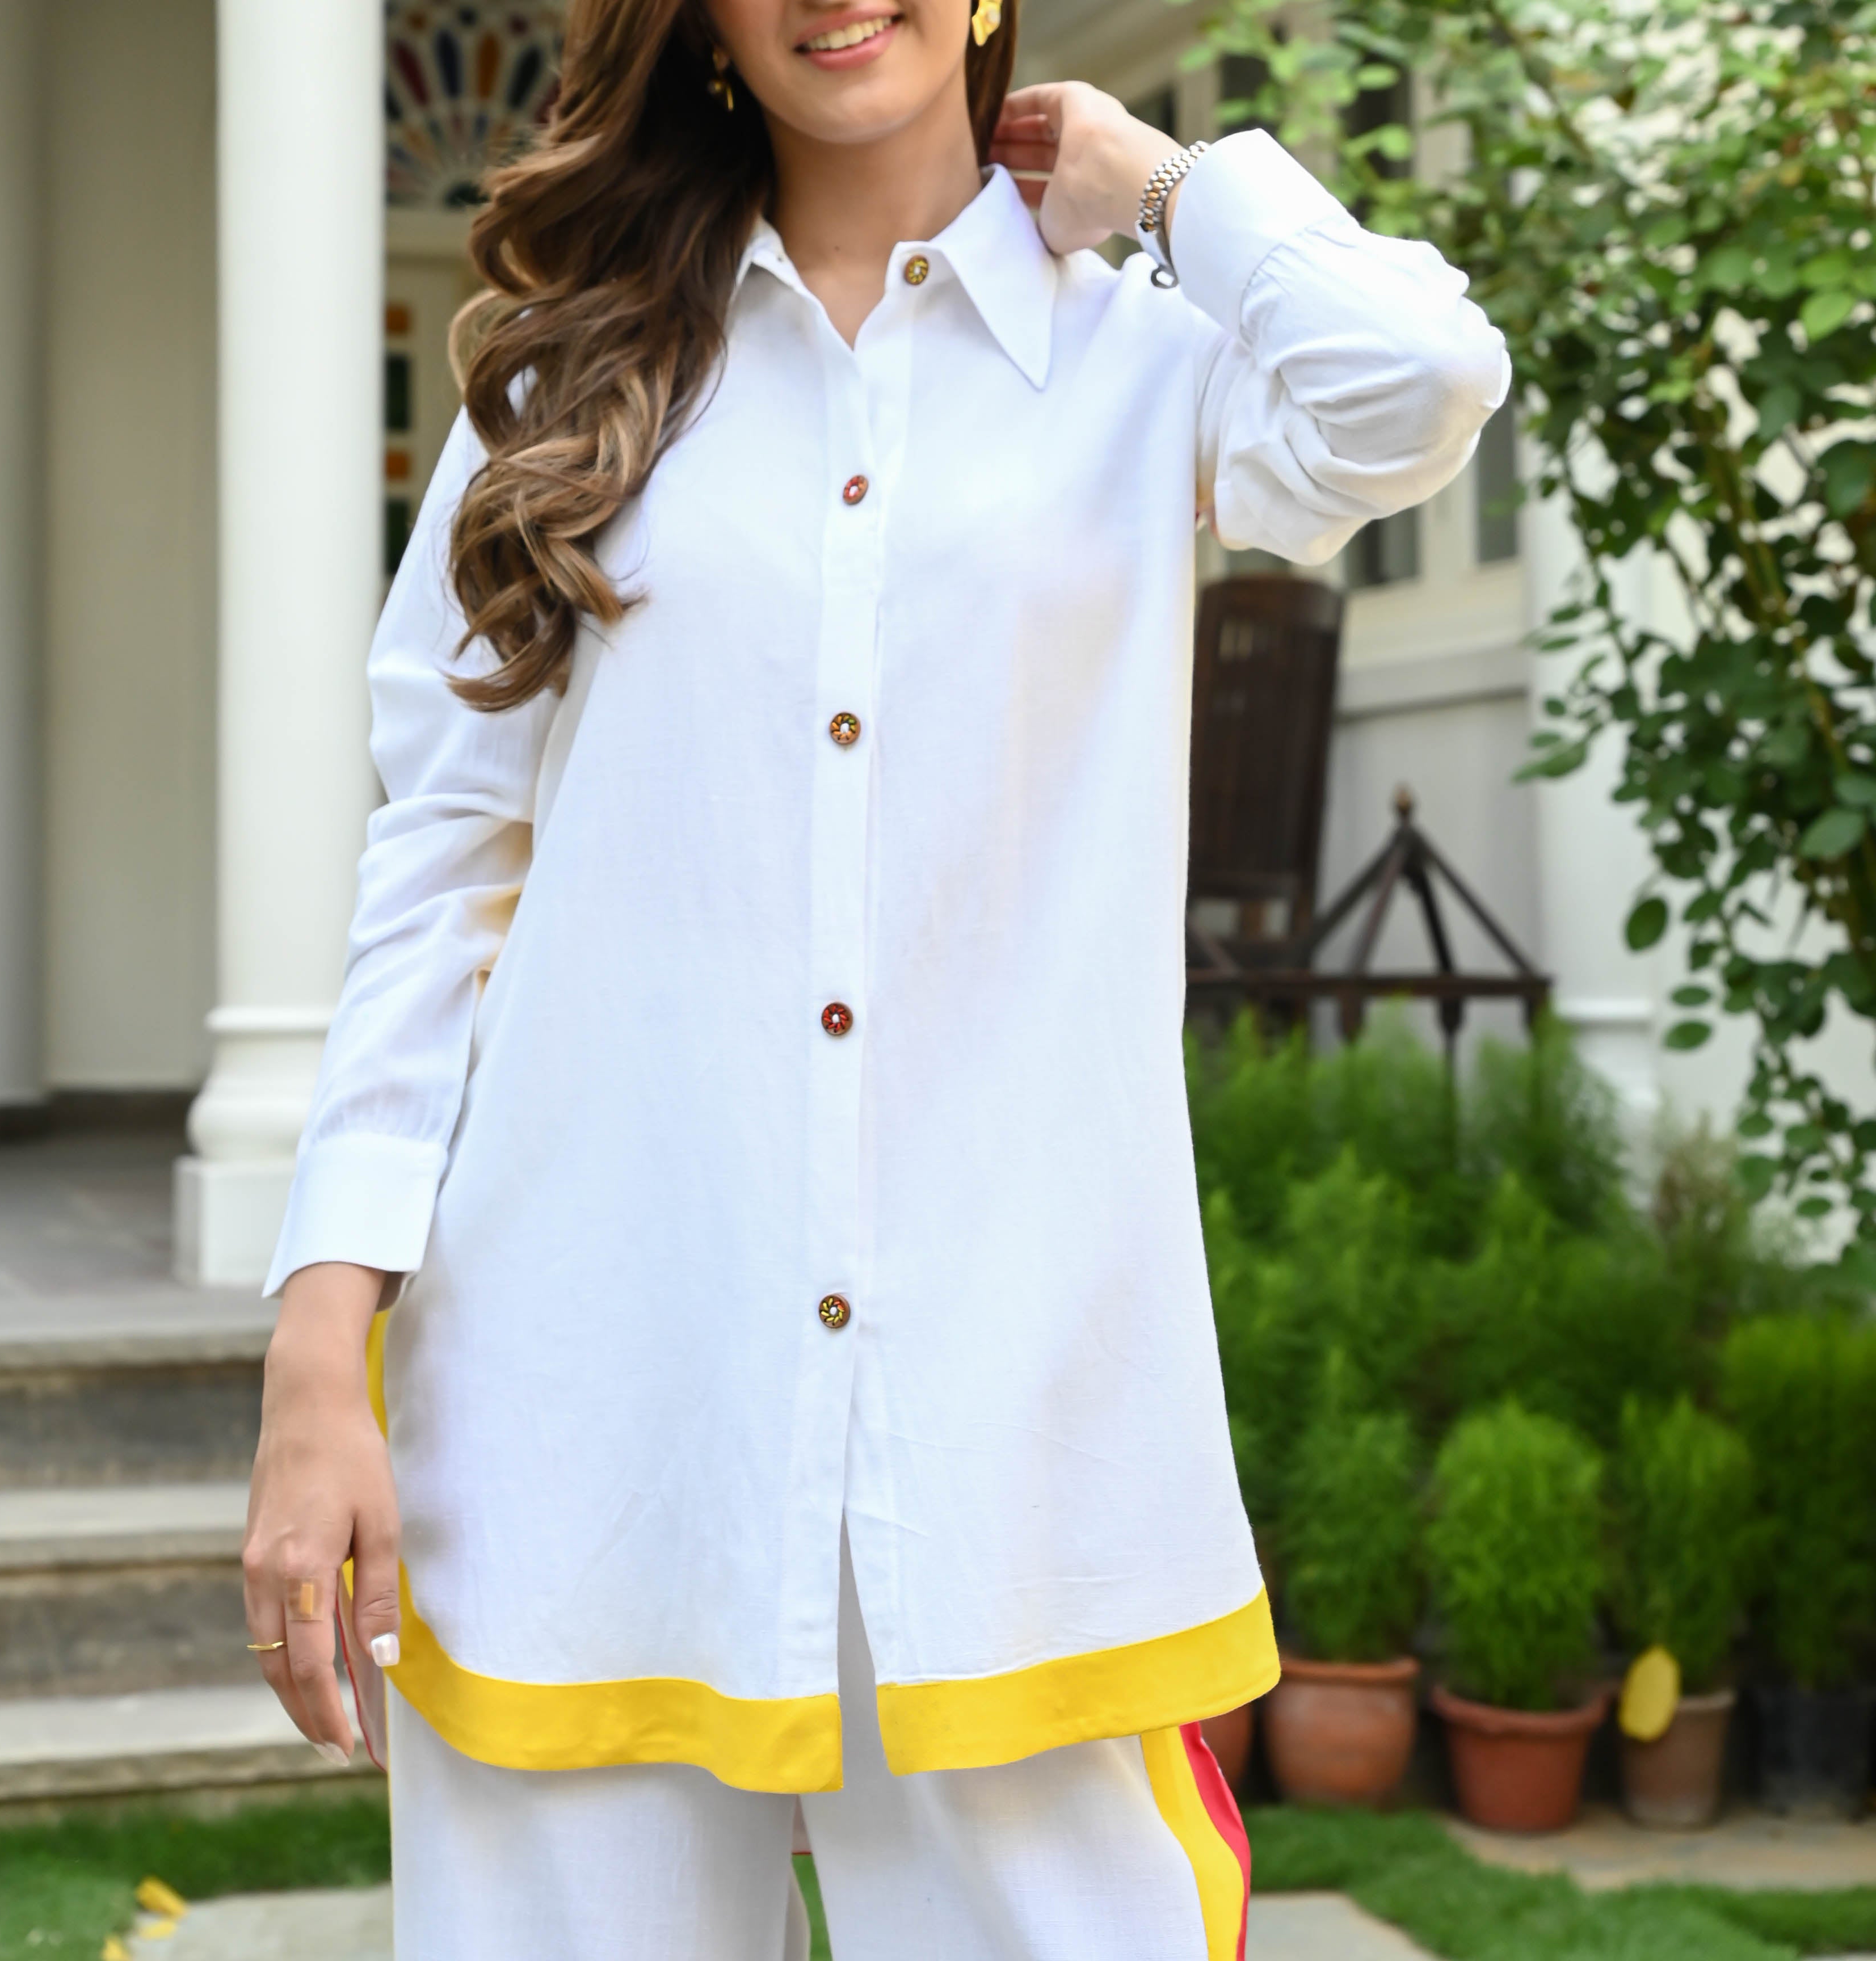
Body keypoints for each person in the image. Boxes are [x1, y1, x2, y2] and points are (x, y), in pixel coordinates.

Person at [242, 1, 1507, 1955]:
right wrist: (318, 1358)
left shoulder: (1141, 365)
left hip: (1012, 1438)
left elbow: (1418, 378)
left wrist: (1165, 186)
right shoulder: (557, 390)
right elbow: (438, 869)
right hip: (592, 1419)